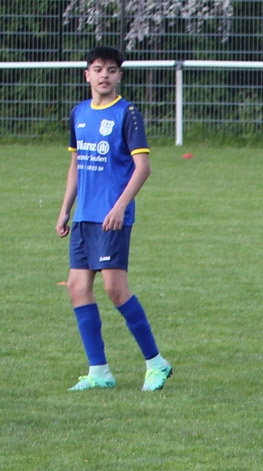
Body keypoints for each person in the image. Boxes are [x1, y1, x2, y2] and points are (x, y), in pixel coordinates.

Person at [56, 46, 171, 391]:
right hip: (84, 217)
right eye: (97, 69)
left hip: (112, 218)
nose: (104, 75)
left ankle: (156, 363)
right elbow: (76, 164)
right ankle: (99, 371)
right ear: (87, 75)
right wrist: (65, 208)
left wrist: (120, 206)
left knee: (114, 289)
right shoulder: (79, 113)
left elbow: (143, 167)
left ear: (119, 75)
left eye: (111, 69)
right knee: (77, 288)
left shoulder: (127, 113)